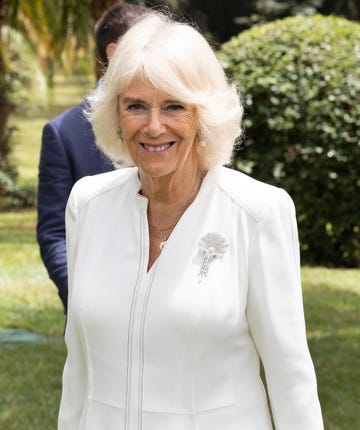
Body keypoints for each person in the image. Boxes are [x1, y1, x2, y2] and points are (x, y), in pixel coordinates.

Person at [58, 11, 324, 430]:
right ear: (116, 113)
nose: (154, 125)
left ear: (203, 114)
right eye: (136, 106)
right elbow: (78, 368)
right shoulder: (88, 205)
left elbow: (290, 376)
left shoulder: (256, 212)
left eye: (174, 106)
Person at [37, 2, 147, 313]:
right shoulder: (64, 132)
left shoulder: (178, 119)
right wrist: (86, 302)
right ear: (114, 53)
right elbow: (54, 234)